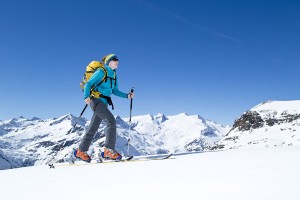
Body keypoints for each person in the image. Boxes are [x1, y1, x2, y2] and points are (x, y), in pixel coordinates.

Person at [75, 54, 134, 162]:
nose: (117, 61)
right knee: (111, 121)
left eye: (117, 59)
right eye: (114, 59)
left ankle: (80, 151)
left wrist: (127, 95)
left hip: (104, 103)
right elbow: (89, 83)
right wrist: (86, 96)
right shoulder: (102, 71)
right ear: (108, 62)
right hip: (95, 100)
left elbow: (115, 91)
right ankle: (108, 150)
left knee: (93, 127)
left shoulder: (114, 75)